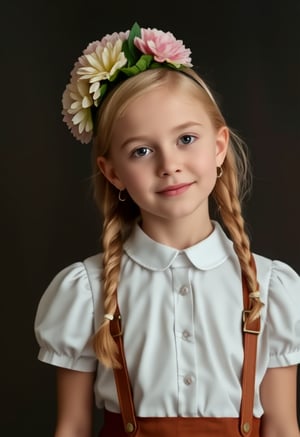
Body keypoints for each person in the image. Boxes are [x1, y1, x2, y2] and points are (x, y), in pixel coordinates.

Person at [34, 22, 300, 437]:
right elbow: (71, 426)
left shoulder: (269, 288)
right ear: (113, 173)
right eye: (141, 150)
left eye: (186, 139)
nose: (168, 164)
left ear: (218, 146)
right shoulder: (86, 290)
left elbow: (283, 426)